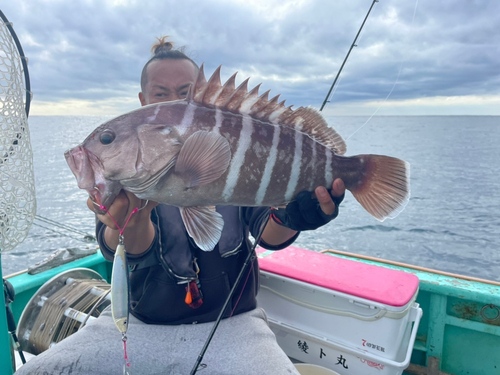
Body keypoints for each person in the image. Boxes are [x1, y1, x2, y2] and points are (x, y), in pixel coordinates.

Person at [15, 37, 345, 375]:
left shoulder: (229, 145)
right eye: (161, 94)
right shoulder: (125, 180)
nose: (174, 102)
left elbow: (269, 231)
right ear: (143, 102)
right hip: (141, 325)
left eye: (186, 93)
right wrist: (129, 222)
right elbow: (121, 247)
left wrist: (296, 215)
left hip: (235, 323)